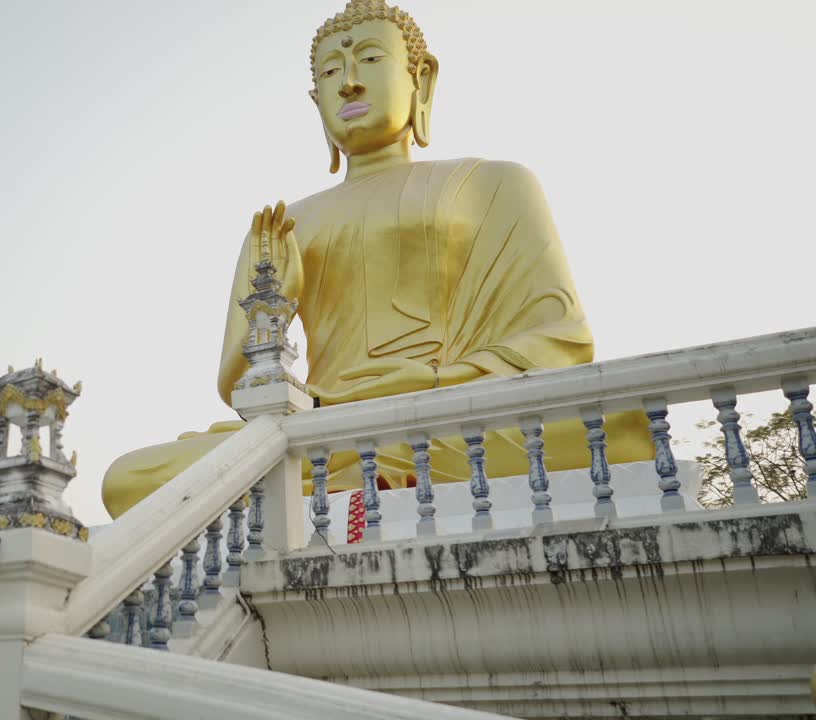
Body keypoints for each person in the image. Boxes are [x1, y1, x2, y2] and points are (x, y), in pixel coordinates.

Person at [100, 0, 655, 518]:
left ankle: (338, 481)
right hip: (324, 428)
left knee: (626, 429)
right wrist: (275, 306)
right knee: (129, 477)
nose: (351, 82)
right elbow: (249, 392)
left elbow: (561, 339)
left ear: (423, 78)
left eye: (370, 58)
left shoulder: (493, 182)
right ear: (315, 101)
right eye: (330, 72)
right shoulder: (282, 227)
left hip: (458, 416)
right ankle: (342, 475)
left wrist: (435, 380)